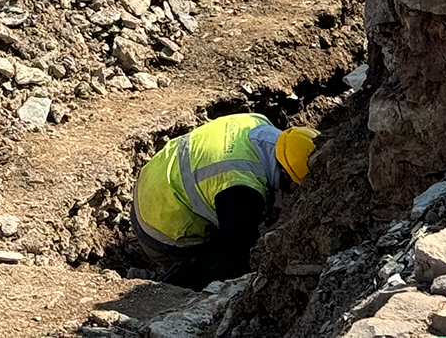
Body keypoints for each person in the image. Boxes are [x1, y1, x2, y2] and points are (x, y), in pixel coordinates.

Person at [131, 114, 316, 287]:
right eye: (297, 184)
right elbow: (236, 251)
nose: (298, 191)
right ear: (284, 172)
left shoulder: (258, 122)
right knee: (225, 267)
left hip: (156, 177)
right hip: (159, 224)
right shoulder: (240, 186)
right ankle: (162, 285)